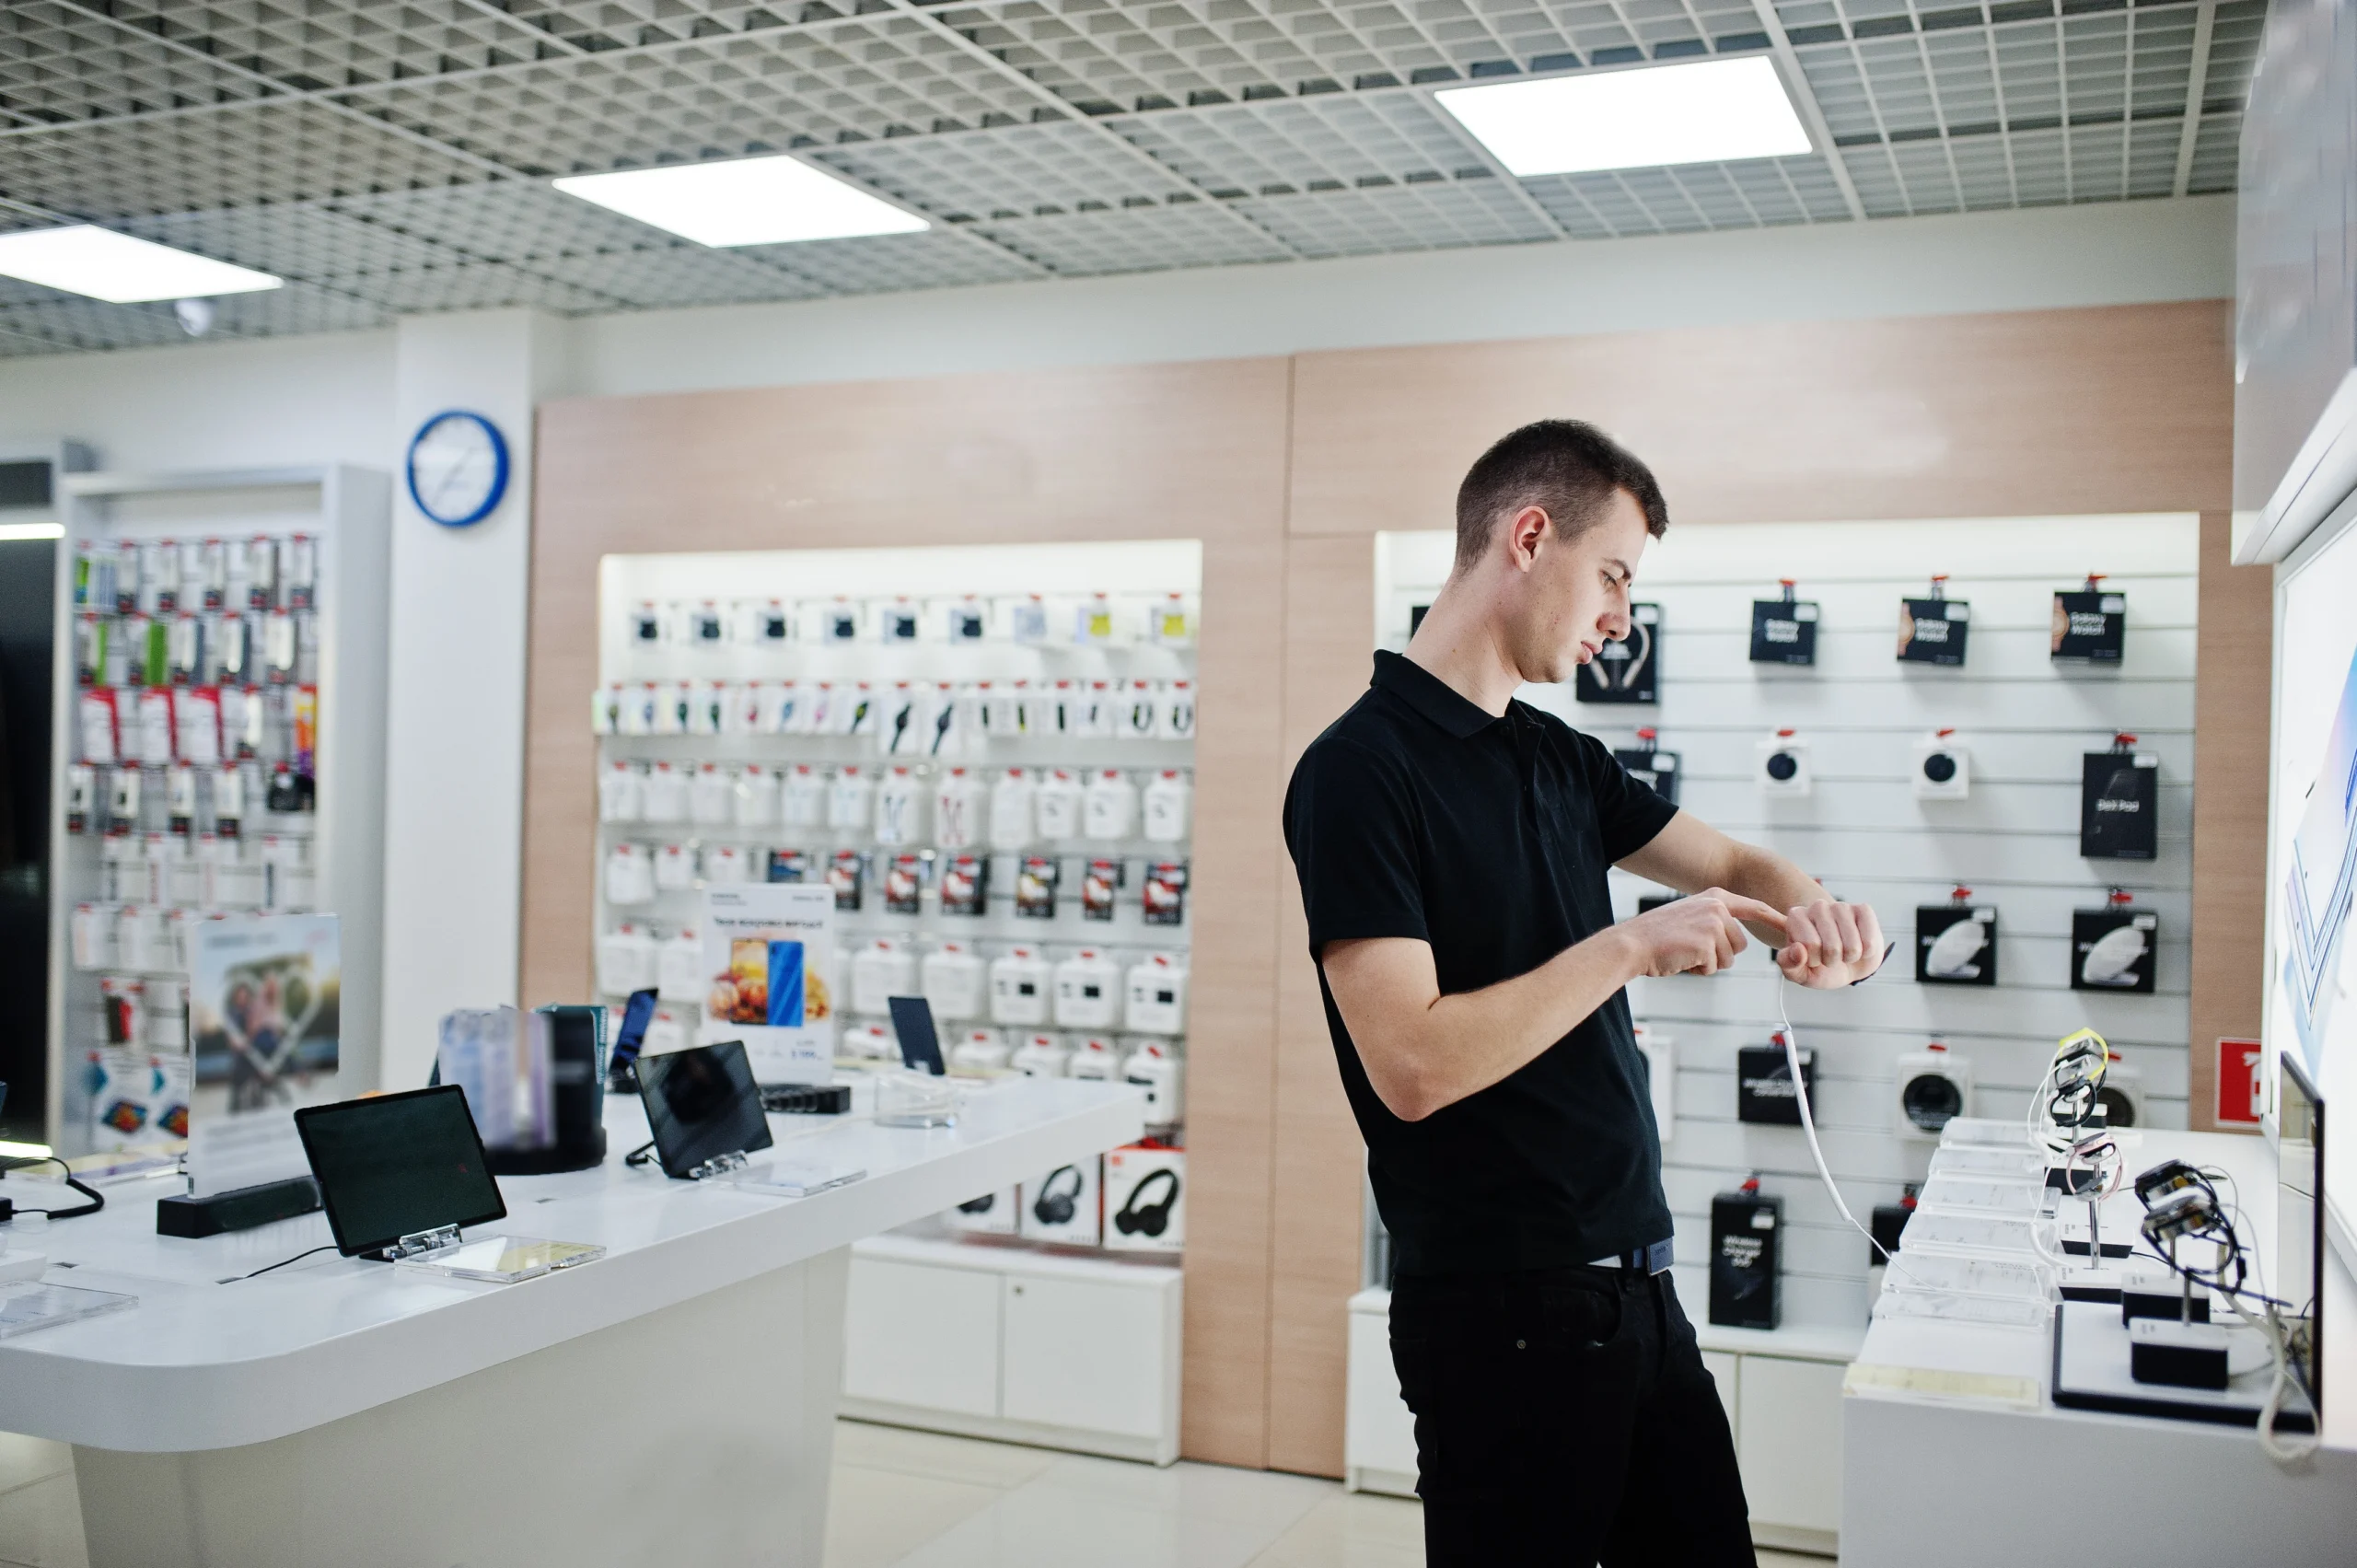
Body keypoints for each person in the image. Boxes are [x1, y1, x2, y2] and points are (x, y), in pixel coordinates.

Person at [1283, 419, 1887, 1566]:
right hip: (1500, 1316)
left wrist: (1830, 926)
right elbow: (1411, 1064)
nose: (1621, 616)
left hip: (1640, 1290)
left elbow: (1735, 864)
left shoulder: (1559, 758)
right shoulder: (1357, 772)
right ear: (1527, 537)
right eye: (1613, 574)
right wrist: (1629, 947)